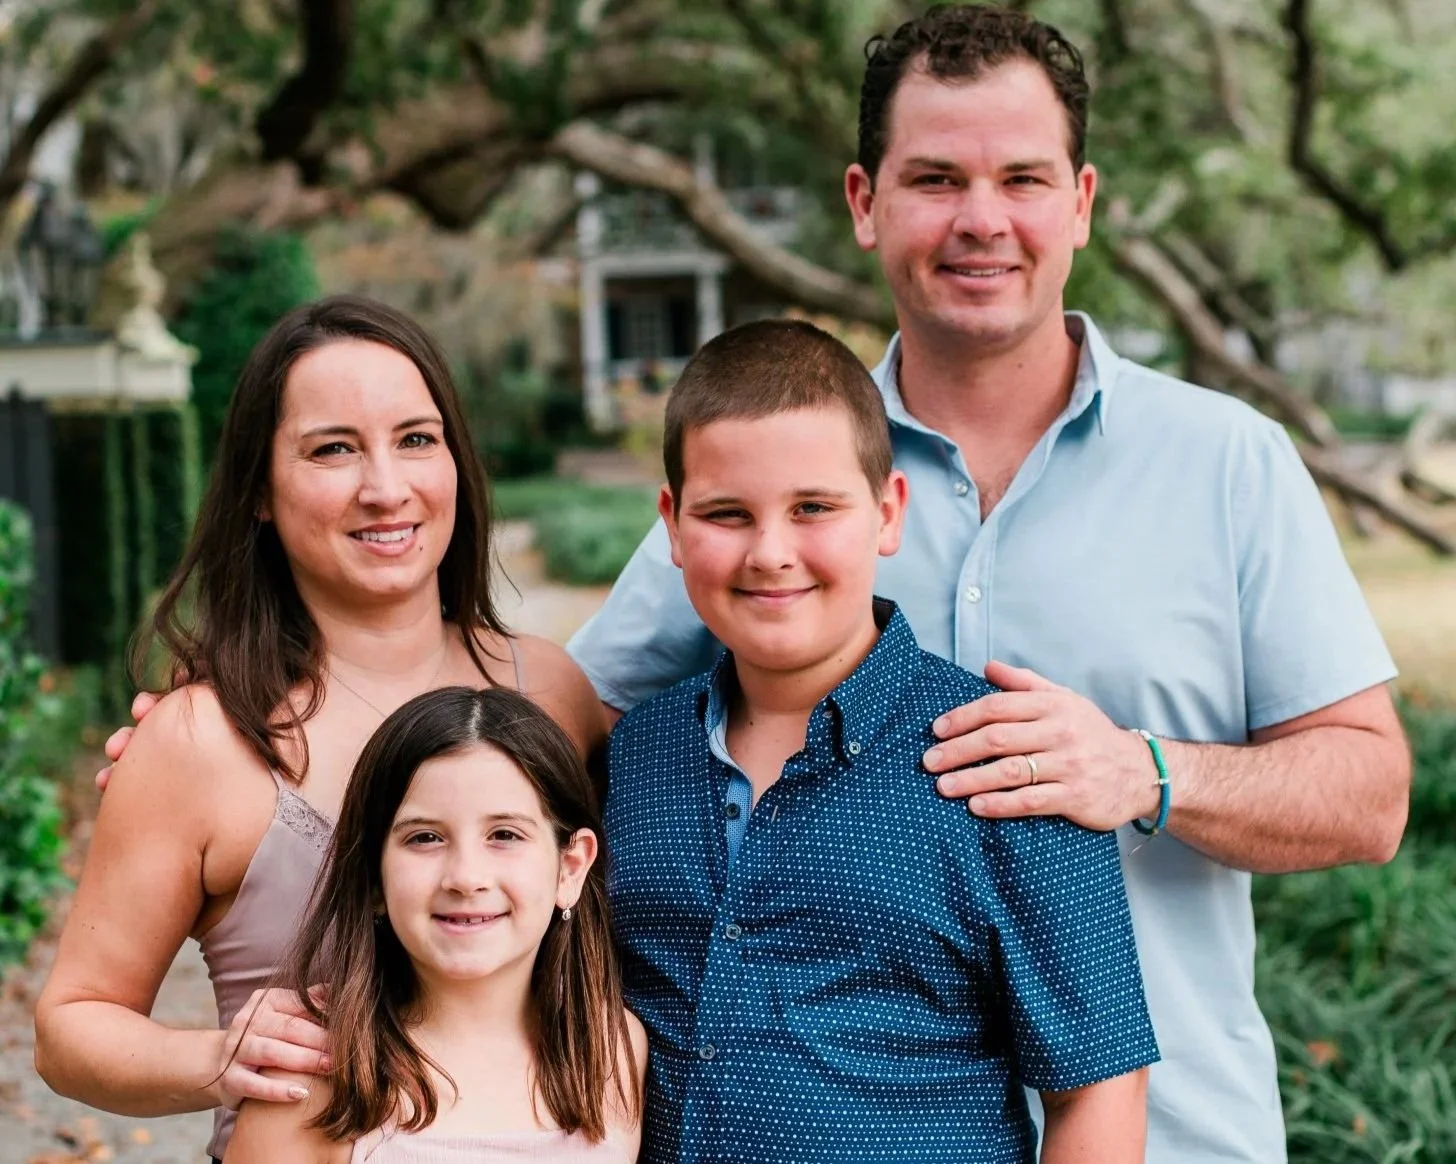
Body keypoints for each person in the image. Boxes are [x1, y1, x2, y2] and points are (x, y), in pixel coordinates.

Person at [566, 7, 1410, 1163]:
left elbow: (1370, 795)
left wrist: (1140, 771)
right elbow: (577, 719)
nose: (980, 220)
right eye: (934, 179)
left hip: (1174, 1136)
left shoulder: (1226, 462)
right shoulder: (785, 470)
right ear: (864, 203)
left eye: (1022, 177)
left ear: (1081, 201)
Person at [35, 296, 605, 1162]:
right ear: (260, 490)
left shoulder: (551, 692)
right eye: (333, 449)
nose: (386, 487)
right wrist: (214, 1059)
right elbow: (70, 1028)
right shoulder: (201, 740)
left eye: (417, 439)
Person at [605, 318, 1157, 1163]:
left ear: (888, 512)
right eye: (727, 514)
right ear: (673, 527)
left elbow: (1098, 1091)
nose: (771, 553)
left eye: (813, 509)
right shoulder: (635, 757)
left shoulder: (1006, 758)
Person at [225, 685, 646, 1163]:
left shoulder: (611, 1049)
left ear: (569, 869)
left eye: (504, 835)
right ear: (373, 878)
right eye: (425, 838)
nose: (466, 877)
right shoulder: (310, 1072)